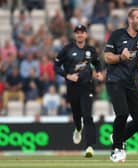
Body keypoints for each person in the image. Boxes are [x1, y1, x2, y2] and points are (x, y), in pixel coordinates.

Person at [103, 8, 138, 162]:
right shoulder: (117, 35)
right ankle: (116, 149)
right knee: (122, 113)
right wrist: (121, 57)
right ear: (130, 20)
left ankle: (117, 137)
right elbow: (107, 57)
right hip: (115, 81)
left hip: (132, 84)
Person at [54, 24, 103, 157]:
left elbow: (97, 63)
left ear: (86, 35)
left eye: (82, 32)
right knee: (77, 116)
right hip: (73, 87)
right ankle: (78, 128)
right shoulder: (67, 49)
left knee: (87, 116)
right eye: (77, 32)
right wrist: (68, 76)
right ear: (75, 35)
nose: (80, 34)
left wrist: (98, 72)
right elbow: (56, 66)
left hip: (87, 86)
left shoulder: (91, 50)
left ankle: (90, 147)